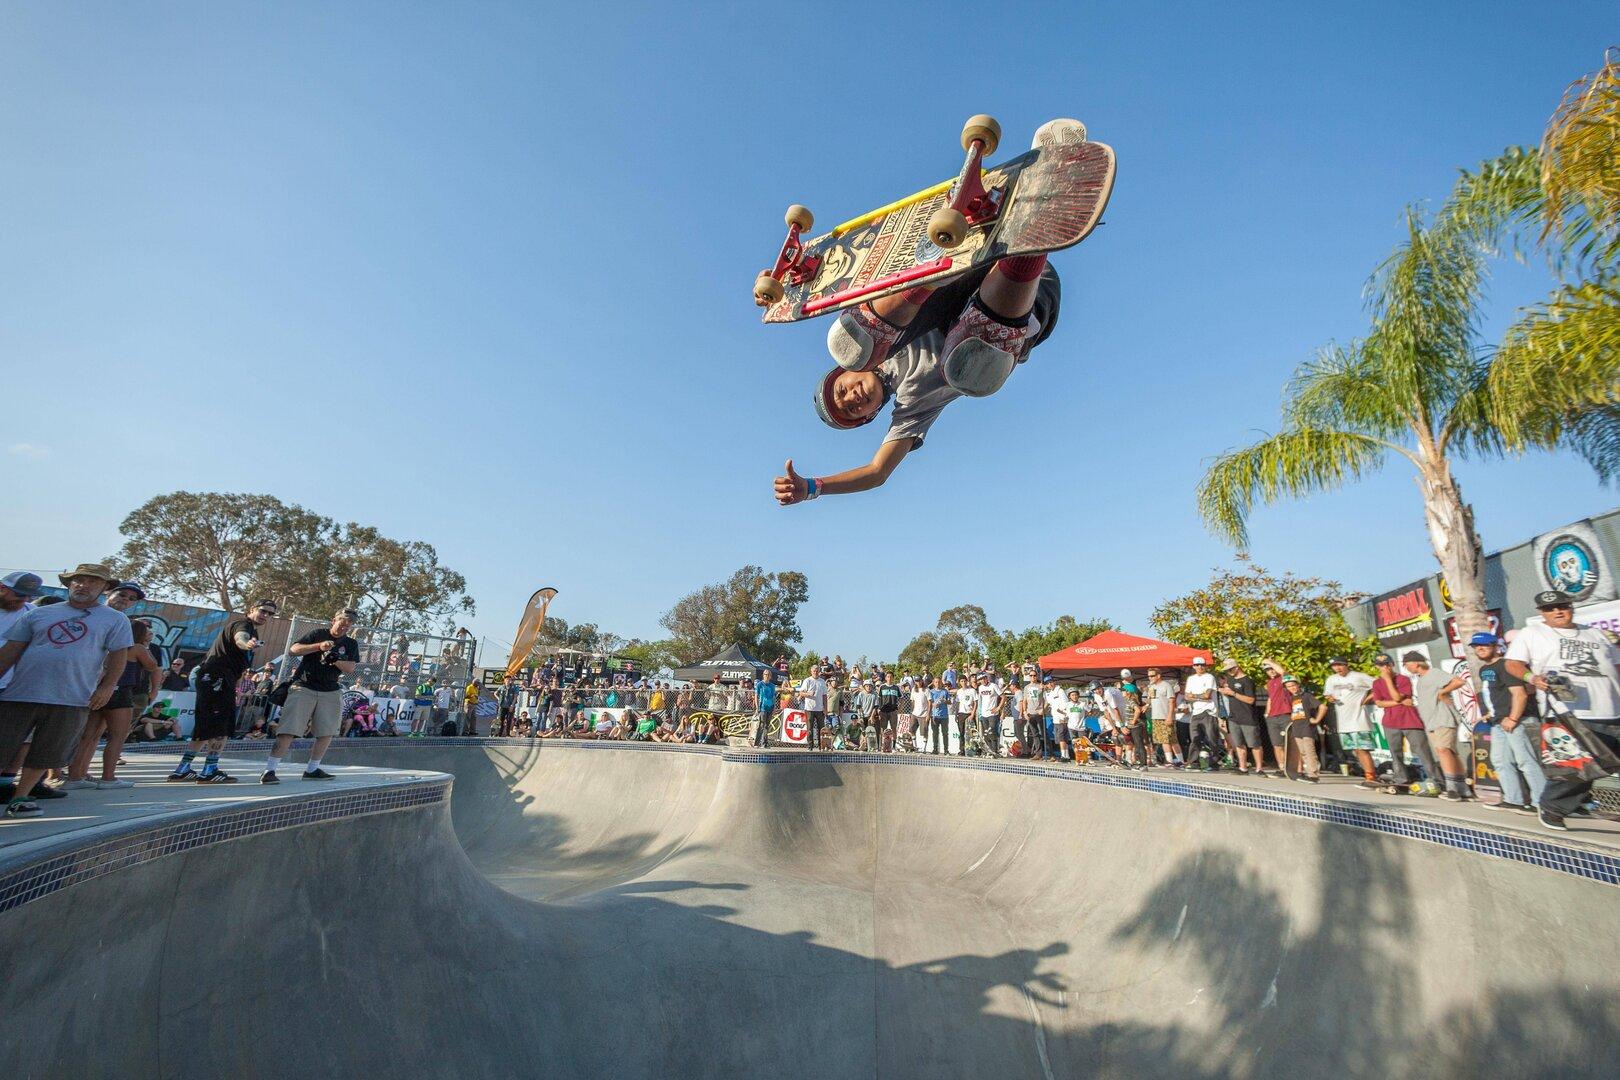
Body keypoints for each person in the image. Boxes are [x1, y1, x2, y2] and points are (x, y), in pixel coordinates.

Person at [0, 564, 133, 815]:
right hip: (21, 693)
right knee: (3, 744)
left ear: (105, 588)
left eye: (93, 582)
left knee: (48, 750)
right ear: (69, 584)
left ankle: (21, 797)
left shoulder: (115, 620)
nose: (84, 585)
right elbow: (10, 652)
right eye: (78, 580)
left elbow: (118, 657)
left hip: (72, 697)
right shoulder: (38, 614)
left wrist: (107, 688)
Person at [1506, 590, 1620, 831]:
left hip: (1611, 708)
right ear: (1541, 612)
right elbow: (1513, 663)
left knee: (1603, 764)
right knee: (1577, 767)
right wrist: (1532, 677)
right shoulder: (1533, 633)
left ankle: (1574, 802)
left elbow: (1616, 666)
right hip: (1567, 711)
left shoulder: (1595, 633)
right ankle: (1552, 807)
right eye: (1550, 608)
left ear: (1571, 607)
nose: (1558, 611)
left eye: (1563, 606)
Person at [167, 599, 277, 783]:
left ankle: (183, 769)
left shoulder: (251, 629)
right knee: (221, 725)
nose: (266, 615)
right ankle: (210, 770)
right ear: (251, 609)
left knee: (205, 725)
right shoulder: (244, 625)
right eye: (263, 611)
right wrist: (247, 644)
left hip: (215, 678)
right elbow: (240, 639)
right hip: (217, 678)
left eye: (270, 613)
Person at [65, 589, 161, 789]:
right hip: (119, 691)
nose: (126, 600)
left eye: (131, 599)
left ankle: (76, 775)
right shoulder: (136, 647)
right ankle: (108, 777)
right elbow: (153, 666)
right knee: (117, 736)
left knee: (89, 735)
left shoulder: (103, 634)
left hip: (96, 687)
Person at [261, 608, 359, 783]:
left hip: (330, 690)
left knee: (327, 732)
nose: (345, 626)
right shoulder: (317, 634)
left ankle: (312, 769)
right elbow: (293, 649)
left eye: (349, 623)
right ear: (333, 620)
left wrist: (334, 659)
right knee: (288, 730)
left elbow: (351, 668)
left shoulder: (350, 643)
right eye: (342, 621)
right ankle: (270, 770)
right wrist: (318, 647)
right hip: (304, 686)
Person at [1470, 632, 1544, 814]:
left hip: (1517, 720)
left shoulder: (1507, 665)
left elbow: (1520, 694)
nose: (1480, 649)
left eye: (1485, 645)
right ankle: (1514, 800)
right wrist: (1490, 713)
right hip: (1498, 721)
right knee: (1500, 761)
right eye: (1476, 646)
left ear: (1495, 646)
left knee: (1526, 761)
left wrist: (1513, 718)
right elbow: (1493, 694)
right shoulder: (1484, 669)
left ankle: (1542, 803)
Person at [1401, 652, 1473, 801]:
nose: (1407, 668)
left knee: (1443, 751)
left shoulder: (1434, 673)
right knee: (1450, 752)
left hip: (1443, 718)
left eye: (1407, 664)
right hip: (1432, 722)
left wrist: (1443, 691)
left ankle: (1452, 788)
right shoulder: (1421, 680)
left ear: (1416, 663)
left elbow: (1459, 681)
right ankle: (1463, 787)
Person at [1370, 654, 1442, 797]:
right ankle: (1401, 779)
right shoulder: (1377, 683)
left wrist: (1388, 680)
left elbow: (1396, 696)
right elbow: (1379, 703)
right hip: (1390, 722)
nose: (1384, 668)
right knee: (1395, 753)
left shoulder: (1403, 679)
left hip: (1410, 720)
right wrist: (1399, 702)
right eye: (1381, 665)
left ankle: (1436, 780)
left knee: (1422, 750)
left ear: (1391, 665)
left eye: (1387, 665)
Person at [1216, 659, 1264, 774]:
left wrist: (1233, 694)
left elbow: (1250, 700)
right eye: (1227, 671)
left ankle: (1259, 768)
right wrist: (1224, 692)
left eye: (1230, 670)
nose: (1229, 672)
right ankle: (1243, 767)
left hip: (1247, 717)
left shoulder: (1247, 681)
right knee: (1238, 743)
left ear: (1237, 668)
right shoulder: (1230, 680)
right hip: (1233, 717)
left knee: (1254, 744)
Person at [1281, 675, 1325, 782]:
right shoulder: (1291, 698)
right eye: (1289, 687)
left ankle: (1313, 775)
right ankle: (1309, 771)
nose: (1292, 688)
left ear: (1298, 685)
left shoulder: (1306, 696)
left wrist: (1316, 720)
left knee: (1309, 750)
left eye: (1293, 685)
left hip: (1307, 727)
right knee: (1303, 752)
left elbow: (1323, 707)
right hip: (1296, 727)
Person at [1183, 658, 1222, 771]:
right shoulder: (1191, 679)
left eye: (1202, 665)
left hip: (1209, 711)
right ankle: (1193, 762)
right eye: (1197, 665)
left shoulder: (1209, 677)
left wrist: (1194, 696)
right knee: (1195, 738)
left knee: (1211, 737)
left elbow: (1207, 695)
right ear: (1194, 666)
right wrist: (1199, 696)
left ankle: (1214, 763)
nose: (1200, 667)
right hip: (1196, 712)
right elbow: (1186, 696)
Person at [1145, 669, 1180, 768]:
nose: (1150, 678)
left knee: (1169, 739)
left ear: (1158, 675)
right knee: (1164, 739)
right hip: (1156, 716)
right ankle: (1173, 760)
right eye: (1149, 676)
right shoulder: (1152, 687)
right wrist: (1146, 705)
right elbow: (1151, 699)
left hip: (1164, 716)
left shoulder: (1166, 686)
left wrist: (1169, 716)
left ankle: (1175, 761)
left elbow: (1172, 701)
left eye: (1152, 676)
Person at [798, 664, 828, 751]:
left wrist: (825, 708)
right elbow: (801, 693)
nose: (815, 672)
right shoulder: (807, 681)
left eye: (817, 671)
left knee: (821, 729)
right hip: (809, 709)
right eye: (814, 671)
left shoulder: (822, 681)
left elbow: (824, 696)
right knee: (809, 728)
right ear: (811, 671)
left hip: (819, 709)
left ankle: (820, 746)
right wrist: (808, 694)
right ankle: (810, 746)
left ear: (819, 672)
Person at [751, 668, 777, 748]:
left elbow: (773, 697)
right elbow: (756, 696)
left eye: (768, 674)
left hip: (770, 707)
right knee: (761, 725)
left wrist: (774, 706)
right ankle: (756, 743)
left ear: (770, 676)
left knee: (767, 726)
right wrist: (757, 707)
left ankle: (764, 744)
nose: (767, 676)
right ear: (763, 675)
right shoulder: (760, 684)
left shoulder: (772, 686)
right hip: (762, 707)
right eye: (765, 674)